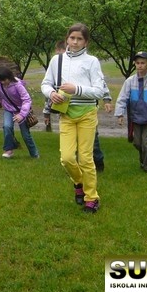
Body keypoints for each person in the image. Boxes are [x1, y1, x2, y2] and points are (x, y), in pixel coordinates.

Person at [41, 23, 105, 213]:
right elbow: (46, 83)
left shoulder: (92, 61)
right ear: (67, 39)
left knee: (85, 158)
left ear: (86, 42)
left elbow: (99, 91)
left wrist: (76, 89)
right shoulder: (57, 60)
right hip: (66, 114)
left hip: (87, 114)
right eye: (72, 38)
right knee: (67, 158)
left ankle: (91, 197)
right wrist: (51, 93)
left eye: (79, 39)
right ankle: (79, 182)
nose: (75, 42)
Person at [114, 51, 147, 174]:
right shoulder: (129, 81)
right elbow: (122, 97)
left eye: (143, 63)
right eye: (137, 63)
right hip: (136, 118)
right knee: (138, 143)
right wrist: (120, 114)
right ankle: (143, 161)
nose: (140, 65)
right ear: (135, 64)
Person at [0, 66, 40, 159]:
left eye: (4, 80)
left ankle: (34, 154)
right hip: (8, 109)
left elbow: (27, 100)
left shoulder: (18, 85)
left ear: (9, 77)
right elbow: (0, 93)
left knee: (25, 134)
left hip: (21, 110)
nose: (3, 82)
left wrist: (22, 114)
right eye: (0, 80)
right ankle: (9, 150)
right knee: (7, 127)